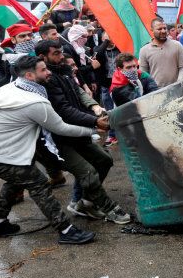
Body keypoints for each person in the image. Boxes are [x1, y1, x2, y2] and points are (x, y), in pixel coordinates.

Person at [0, 56, 96, 243]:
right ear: (29, 75)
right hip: (4, 155)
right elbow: (60, 128)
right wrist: (92, 129)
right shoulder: (35, 102)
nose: (49, 71)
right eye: (43, 70)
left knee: (16, 180)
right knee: (38, 184)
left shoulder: (10, 88)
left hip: (7, 152)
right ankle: (66, 231)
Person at [34, 40, 131, 224]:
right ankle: (108, 208)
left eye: (61, 52)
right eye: (56, 53)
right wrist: (95, 122)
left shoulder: (63, 71)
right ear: (42, 57)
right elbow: (63, 110)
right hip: (58, 138)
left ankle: (85, 203)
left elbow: (78, 92)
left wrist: (94, 107)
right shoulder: (46, 79)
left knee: (104, 160)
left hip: (77, 131)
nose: (61, 56)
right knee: (88, 173)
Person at [138, 18, 183, 87]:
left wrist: (178, 83)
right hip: (155, 92)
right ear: (152, 30)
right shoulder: (144, 50)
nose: (163, 31)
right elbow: (143, 74)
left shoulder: (177, 45)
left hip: (176, 90)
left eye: (165, 28)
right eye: (159, 29)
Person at [91, 32, 121, 146]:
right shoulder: (99, 50)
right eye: (106, 37)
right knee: (109, 112)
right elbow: (97, 53)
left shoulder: (119, 48)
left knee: (120, 108)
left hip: (119, 84)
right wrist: (106, 41)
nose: (110, 39)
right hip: (106, 85)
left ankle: (121, 133)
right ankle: (112, 135)